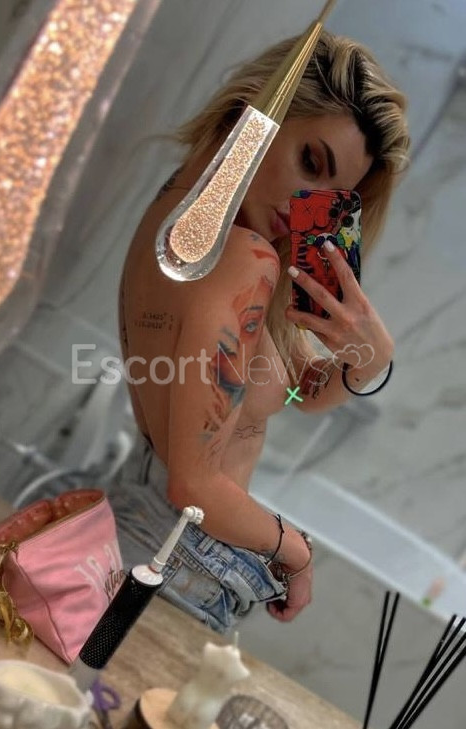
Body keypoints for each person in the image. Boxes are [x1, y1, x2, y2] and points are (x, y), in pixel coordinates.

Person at [110, 30, 411, 634]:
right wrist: (296, 552)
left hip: (142, 525)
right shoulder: (246, 261)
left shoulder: (180, 214)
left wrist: (368, 357)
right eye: (311, 162)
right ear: (262, 115)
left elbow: (298, 390)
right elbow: (195, 485)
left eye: (332, 194)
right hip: (182, 558)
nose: (307, 204)